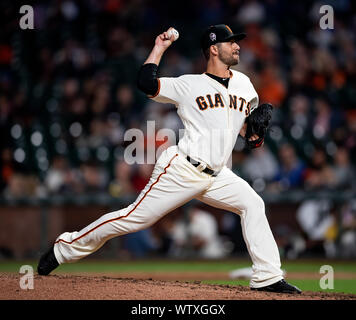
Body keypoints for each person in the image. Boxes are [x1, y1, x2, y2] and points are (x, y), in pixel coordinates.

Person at [38, 24, 301, 294]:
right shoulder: (189, 84)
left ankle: (267, 277)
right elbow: (146, 83)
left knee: (252, 203)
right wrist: (159, 48)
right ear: (213, 48)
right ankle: (64, 249)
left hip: (218, 174)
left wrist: (255, 134)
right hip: (182, 168)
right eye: (230, 42)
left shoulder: (244, 84)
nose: (237, 46)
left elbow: (247, 133)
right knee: (133, 218)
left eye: (237, 42)